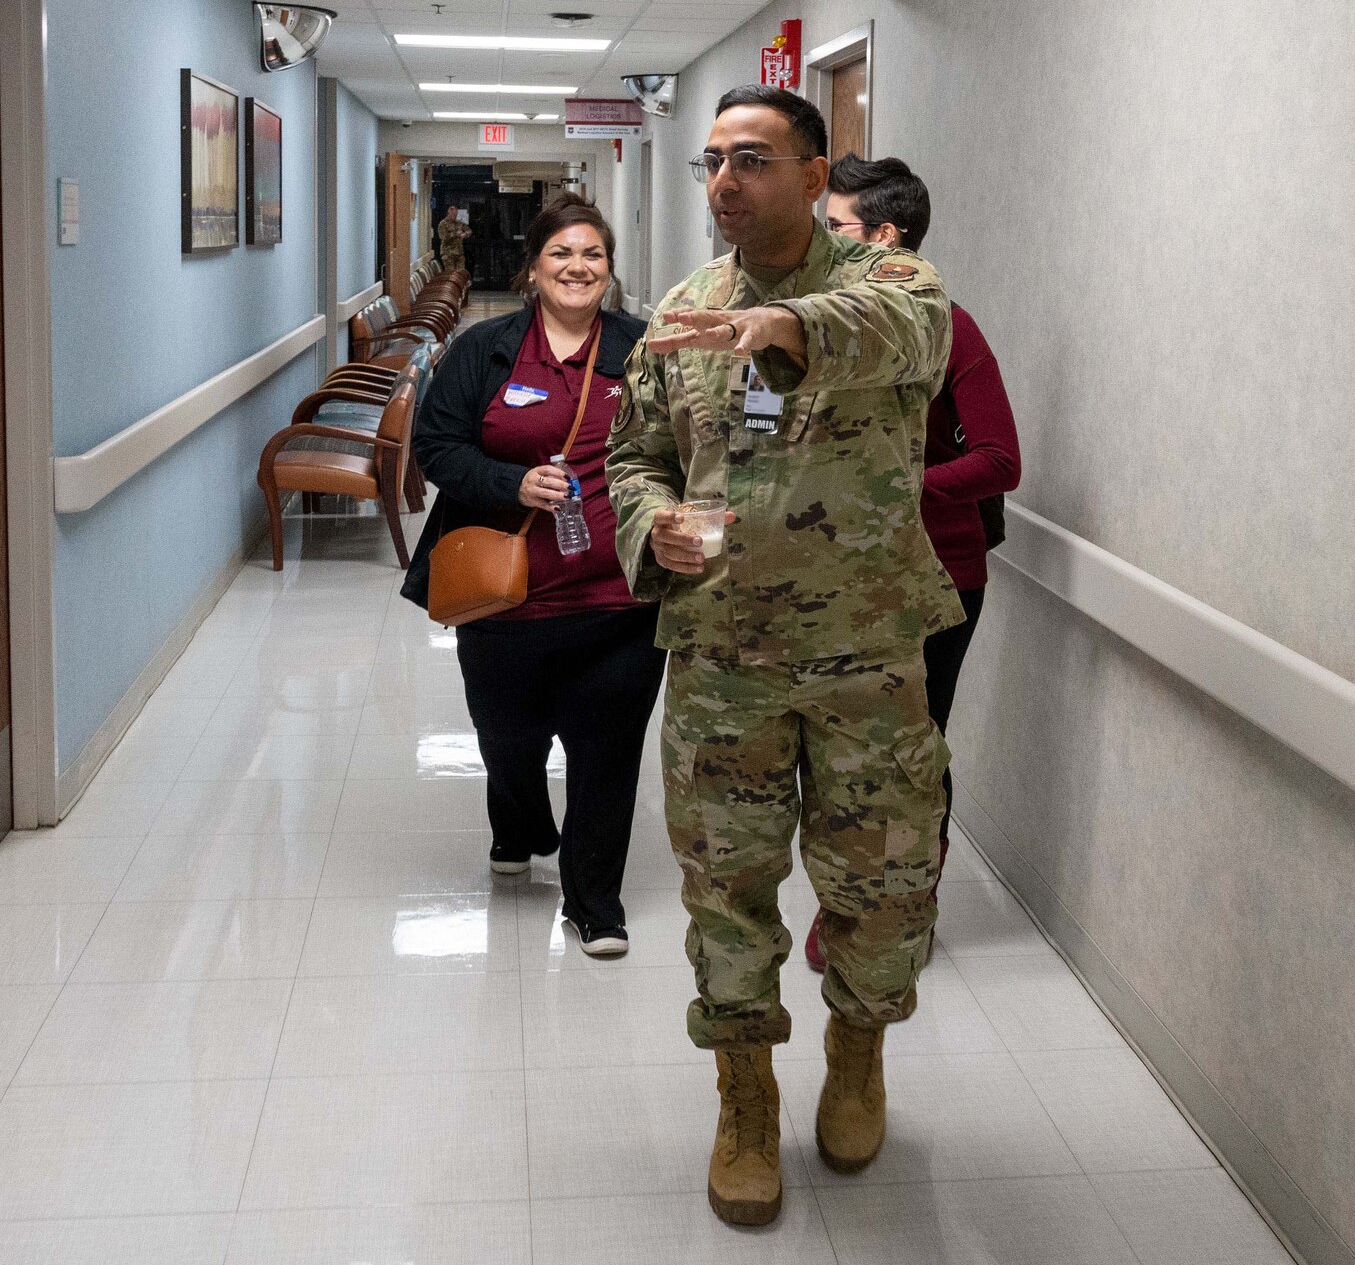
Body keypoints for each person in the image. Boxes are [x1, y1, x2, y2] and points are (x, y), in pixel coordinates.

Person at [605, 86, 961, 1226]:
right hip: (720, 662)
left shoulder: (888, 286)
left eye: (751, 159)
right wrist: (645, 522)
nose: (723, 181)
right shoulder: (679, 311)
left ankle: (856, 1054)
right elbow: (633, 454)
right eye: (711, 160)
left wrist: (790, 328)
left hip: (865, 659)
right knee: (725, 892)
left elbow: (908, 342)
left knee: (883, 886)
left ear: (816, 177)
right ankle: (744, 1096)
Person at [404, 193, 661, 957]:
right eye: (562, 254)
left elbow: (685, 444)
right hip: (505, 596)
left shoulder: (642, 351)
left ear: (609, 269)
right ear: (533, 268)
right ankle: (517, 822)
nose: (579, 268)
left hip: (618, 597)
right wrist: (509, 484)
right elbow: (436, 446)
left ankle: (595, 903)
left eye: (593, 255)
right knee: (507, 740)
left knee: (607, 754)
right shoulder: (486, 351)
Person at [803, 154, 1022, 972]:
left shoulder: (950, 330)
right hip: (831, 577)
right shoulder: (820, 321)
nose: (821, 243)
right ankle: (844, 901)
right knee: (838, 751)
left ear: (885, 238)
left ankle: (909, 909)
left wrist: (891, 488)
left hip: (936, 578)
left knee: (912, 751)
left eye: (837, 229)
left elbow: (1001, 461)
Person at [436, 204, 471, 273]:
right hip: (448, 254)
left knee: (460, 275)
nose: (455, 216)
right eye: (453, 214)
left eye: (456, 215)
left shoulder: (459, 223)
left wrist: (465, 234)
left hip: (459, 253)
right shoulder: (443, 224)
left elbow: (469, 231)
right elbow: (443, 237)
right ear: (449, 213)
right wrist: (455, 234)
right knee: (451, 275)